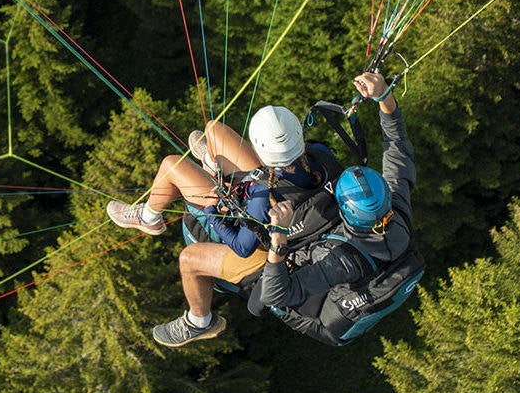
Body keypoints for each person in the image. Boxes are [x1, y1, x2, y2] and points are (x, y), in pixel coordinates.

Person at [106, 105, 340, 347]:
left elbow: (242, 247)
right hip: (287, 212)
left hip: (268, 255)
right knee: (214, 131)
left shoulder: (263, 195)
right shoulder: (320, 156)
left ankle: (199, 320)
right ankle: (212, 164)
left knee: (173, 171)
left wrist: (213, 213)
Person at [247, 71, 418, 345]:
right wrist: (384, 97)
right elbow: (397, 146)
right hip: (382, 259)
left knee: (255, 301)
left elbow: (273, 296)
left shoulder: (341, 262)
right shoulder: (396, 206)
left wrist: (279, 238)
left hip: (321, 323)